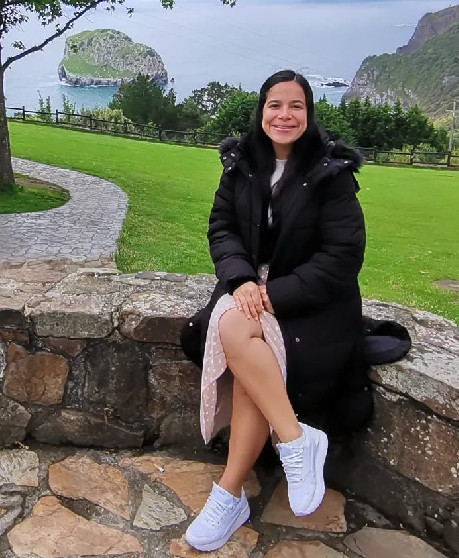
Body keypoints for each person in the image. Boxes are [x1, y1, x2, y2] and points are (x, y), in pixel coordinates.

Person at [180, 70, 367, 552]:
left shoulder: (331, 172)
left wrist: (273, 295)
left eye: (296, 106)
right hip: (248, 285)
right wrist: (242, 278)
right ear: (261, 111)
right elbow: (221, 227)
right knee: (231, 324)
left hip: (310, 301)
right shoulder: (240, 163)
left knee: (239, 341)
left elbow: (342, 256)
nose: (285, 115)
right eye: (275, 105)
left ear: (309, 112)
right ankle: (295, 440)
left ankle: (229, 493)